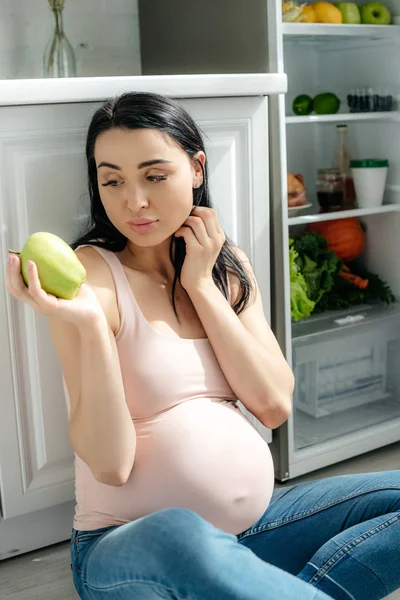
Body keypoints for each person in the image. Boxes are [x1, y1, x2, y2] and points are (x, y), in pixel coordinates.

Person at [6, 92, 399, 600]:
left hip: (256, 530)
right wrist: (87, 328)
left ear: (196, 168)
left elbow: (274, 405)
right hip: (131, 548)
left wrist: (201, 287)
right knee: (179, 531)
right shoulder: (91, 280)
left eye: (154, 175)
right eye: (112, 180)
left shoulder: (225, 266)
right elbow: (110, 464)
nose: (134, 202)